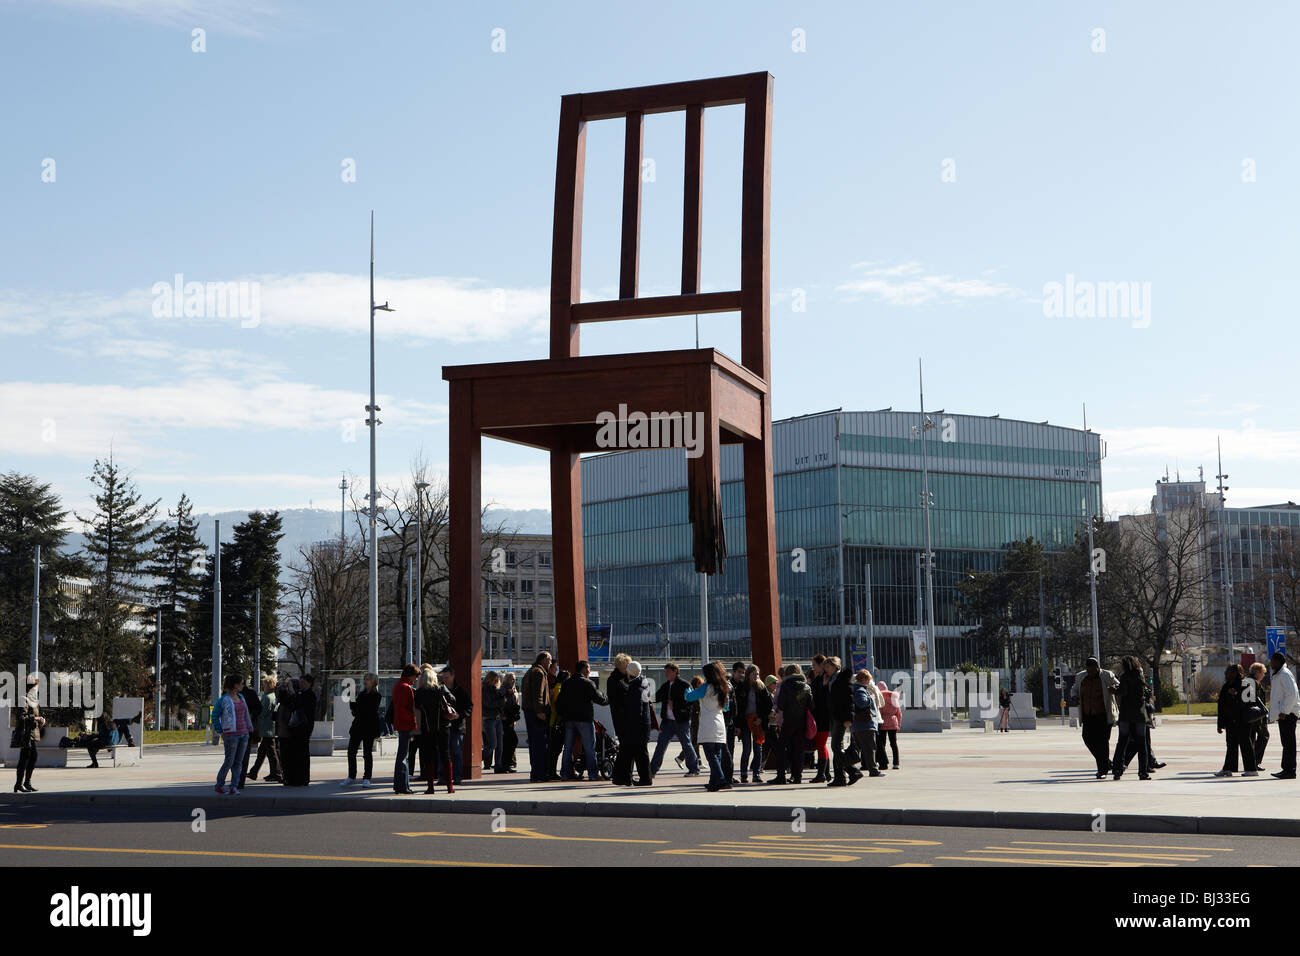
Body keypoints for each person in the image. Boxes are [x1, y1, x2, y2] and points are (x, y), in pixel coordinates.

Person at [1070, 656, 1119, 779]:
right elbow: (1074, 689)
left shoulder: (1107, 675)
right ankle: (1106, 763)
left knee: (1102, 743)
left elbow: (1119, 686)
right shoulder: (1081, 677)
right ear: (1086, 669)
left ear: (1098, 667)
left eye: (1094, 669)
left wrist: (1115, 689)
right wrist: (1074, 697)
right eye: (1089, 669)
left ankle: (1102, 770)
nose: (1091, 672)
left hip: (1103, 715)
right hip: (1088, 715)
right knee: (1087, 738)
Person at [559, 661, 608, 781]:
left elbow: (559, 702)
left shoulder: (567, 683)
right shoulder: (588, 683)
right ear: (584, 669)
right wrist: (607, 698)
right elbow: (599, 699)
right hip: (584, 719)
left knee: (568, 748)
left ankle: (565, 774)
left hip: (569, 720)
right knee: (589, 748)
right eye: (589, 668)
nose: (589, 671)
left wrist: (564, 715)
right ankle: (593, 774)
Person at [688, 662, 733, 791]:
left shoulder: (705, 687)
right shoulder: (723, 688)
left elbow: (690, 697)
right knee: (717, 754)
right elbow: (726, 708)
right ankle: (713, 783)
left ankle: (720, 780)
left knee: (710, 755)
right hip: (719, 723)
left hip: (708, 724)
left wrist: (688, 689)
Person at [651, 662, 700, 778]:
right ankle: (651, 770)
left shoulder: (685, 685)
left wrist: (677, 706)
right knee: (660, 745)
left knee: (686, 745)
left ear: (675, 671)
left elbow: (691, 701)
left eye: (668, 671)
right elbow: (656, 697)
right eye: (665, 671)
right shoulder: (665, 686)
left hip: (681, 721)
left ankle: (694, 769)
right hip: (667, 722)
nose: (666, 674)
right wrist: (646, 696)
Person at [415, 665, 454, 794]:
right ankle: (450, 787)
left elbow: (416, 707)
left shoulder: (419, 693)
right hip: (443, 728)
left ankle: (430, 787)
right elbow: (453, 700)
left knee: (429, 757)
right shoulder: (441, 689)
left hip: (427, 729)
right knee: (445, 756)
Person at [1215, 664, 1259, 777]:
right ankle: (1228, 768)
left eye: (1228, 672)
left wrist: (1236, 694)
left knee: (1246, 744)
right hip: (1230, 721)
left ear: (1236, 673)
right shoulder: (1226, 686)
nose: (1226, 674)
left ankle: (1251, 769)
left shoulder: (1246, 684)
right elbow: (1221, 706)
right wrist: (1220, 724)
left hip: (1243, 720)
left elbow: (1251, 701)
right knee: (1231, 745)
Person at [1110, 657, 1150, 781]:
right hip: (1139, 714)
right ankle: (1143, 772)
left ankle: (1117, 769)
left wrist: (1114, 690)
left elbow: (1123, 692)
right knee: (1142, 744)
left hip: (1126, 714)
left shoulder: (1125, 677)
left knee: (1122, 742)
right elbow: (1145, 692)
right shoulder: (1140, 676)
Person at [613, 660, 653, 786]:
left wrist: (628, 724)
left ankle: (642, 779)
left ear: (629, 674)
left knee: (634, 752)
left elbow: (636, 709)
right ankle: (632, 778)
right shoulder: (644, 683)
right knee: (638, 753)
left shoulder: (635, 688)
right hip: (642, 725)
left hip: (635, 726)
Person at [733, 665, 772, 784]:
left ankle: (756, 773)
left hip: (757, 721)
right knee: (747, 749)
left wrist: (761, 718)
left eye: (758, 674)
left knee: (758, 748)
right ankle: (743, 774)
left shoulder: (761, 687)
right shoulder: (741, 687)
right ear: (748, 675)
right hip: (745, 721)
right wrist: (737, 725)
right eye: (754, 674)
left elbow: (768, 705)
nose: (756, 676)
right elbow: (737, 707)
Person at [214, 674, 252, 795]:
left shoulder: (241, 697)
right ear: (235, 685)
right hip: (231, 734)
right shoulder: (224, 700)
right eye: (241, 683)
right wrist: (220, 730)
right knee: (229, 761)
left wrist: (249, 727)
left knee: (238, 762)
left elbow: (246, 713)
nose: (243, 685)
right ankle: (219, 785)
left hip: (244, 733)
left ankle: (234, 786)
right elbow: (214, 715)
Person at [342, 673, 381, 787]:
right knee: (351, 751)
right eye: (364, 679)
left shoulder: (376, 695)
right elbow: (354, 710)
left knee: (367, 753)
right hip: (357, 727)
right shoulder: (361, 694)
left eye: (368, 679)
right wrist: (353, 696)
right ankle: (351, 776)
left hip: (369, 727)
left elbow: (368, 710)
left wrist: (358, 709)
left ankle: (367, 778)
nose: (365, 681)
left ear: (374, 682)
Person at [825, 657, 859, 787]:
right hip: (834, 716)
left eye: (828, 667)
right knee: (837, 747)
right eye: (825, 667)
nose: (826, 669)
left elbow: (849, 699)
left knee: (836, 746)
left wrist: (848, 718)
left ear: (835, 666)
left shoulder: (842, 679)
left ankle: (850, 772)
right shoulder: (831, 679)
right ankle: (843, 775)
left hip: (841, 717)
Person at [520, 652, 553, 782]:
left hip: (529, 711)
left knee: (534, 744)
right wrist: (540, 711)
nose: (550, 663)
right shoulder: (539, 673)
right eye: (549, 660)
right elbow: (538, 694)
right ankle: (540, 774)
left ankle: (535, 773)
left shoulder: (530, 671)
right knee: (540, 744)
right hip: (536, 713)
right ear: (544, 660)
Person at [438, 666, 472, 785]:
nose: (445, 679)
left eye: (447, 677)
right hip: (443, 726)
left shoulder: (460, 691)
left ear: (453, 676)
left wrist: (459, 715)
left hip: (457, 727)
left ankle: (457, 776)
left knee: (456, 751)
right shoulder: (440, 690)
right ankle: (443, 776)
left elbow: (469, 707)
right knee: (443, 752)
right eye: (443, 677)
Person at [280, 673, 316, 786]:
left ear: (309, 683)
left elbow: (298, 704)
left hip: (304, 728)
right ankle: (293, 778)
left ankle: (303, 779)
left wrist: (292, 692)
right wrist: (283, 690)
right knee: (293, 754)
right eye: (300, 681)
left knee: (302, 754)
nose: (300, 683)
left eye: (303, 681)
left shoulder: (310, 694)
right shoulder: (300, 693)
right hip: (295, 728)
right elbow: (288, 702)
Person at [1269, 653, 1299, 779]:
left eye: (1272, 661)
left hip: (1288, 714)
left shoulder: (1284, 674)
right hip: (1284, 714)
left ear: (1277, 661)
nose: (1270, 663)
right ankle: (1286, 769)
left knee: (1289, 743)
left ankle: (1290, 770)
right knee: (1286, 743)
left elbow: (1292, 694)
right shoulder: (1279, 674)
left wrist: (1284, 711)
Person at [13, 674, 45, 793]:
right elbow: (21, 717)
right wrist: (36, 718)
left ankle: (26, 783)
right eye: (34, 686)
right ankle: (19, 784)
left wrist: (42, 719)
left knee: (32, 757)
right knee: (24, 758)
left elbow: (35, 715)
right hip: (26, 734)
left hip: (32, 733)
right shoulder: (23, 698)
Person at [247, 675, 281, 783]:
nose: (263, 686)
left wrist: (255, 716)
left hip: (266, 727)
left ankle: (276, 773)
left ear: (268, 685)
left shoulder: (266, 697)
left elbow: (263, 712)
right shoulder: (274, 696)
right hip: (271, 726)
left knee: (271, 751)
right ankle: (254, 772)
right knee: (262, 751)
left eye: (264, 684)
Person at [391, 664, 419, 794]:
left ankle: (401, 785)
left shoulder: (399, 685)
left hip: (400, 723)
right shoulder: (405, 688)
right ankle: (402, 785)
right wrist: (413, 723)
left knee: (402, 755)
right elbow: (406, 709)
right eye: (415, 676)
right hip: (405, 724)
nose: (416, 679)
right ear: (410, 675)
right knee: (403, 756)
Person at [851, 670, 884, 778]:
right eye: (868, 680)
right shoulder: (860, 690)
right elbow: (862, 703)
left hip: (858, 725)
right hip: (865, 725)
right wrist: (870, 699)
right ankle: (873, 770)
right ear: (864, 679)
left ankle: (847, 765)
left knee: (857, 748)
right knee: (870, 748)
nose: (869, 682)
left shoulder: (855, 689)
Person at [606, 653, 632, 784]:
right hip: (621, 718)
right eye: (626, 664)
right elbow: (615, 700)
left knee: (626, 747)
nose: (628, 666)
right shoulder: (614, 680)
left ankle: (623, 775)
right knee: (626, 747)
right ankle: (621, 775)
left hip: (625, 717)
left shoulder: (626, 677)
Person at [236, 675, 263, 790]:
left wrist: (251, 715)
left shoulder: (249, 693)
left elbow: (259, 708)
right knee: (236, 757)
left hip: (246, 729)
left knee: (243, 756)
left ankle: (239, 781)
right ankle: (237, 780)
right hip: (234, 730)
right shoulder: (230, 694)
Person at [809, 655, 831, 783]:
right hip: (820, 716)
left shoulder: (824, 679)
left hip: (822, 717)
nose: (812, 667)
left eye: (814, 664)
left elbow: (821, 699)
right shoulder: (818, 679)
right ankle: (826, 773)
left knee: (820, 745)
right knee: (821, 745)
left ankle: (821, 774)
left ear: (821, 665)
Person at [481, 671, 506, 774]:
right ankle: (478, 758)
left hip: (497, 718)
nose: (496, 682)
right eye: (494, 680)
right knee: (492, 744)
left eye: (497, 680)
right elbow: (488, 704)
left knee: (499, 744)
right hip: (489, 718)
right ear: (489, 679)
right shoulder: (485, 689)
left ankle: (498, 765)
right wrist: (500, 702)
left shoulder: (495, 689)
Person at [1248, 662, 1271, 771]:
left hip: (1253, 715)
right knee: (1264, 736)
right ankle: (1255, 761)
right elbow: (1254, 699)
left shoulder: (1250, 681)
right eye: (1263, 673)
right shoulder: (1253, 683)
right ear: (1257, 672)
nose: (1264, 675)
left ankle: (1253, 762)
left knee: (1253, 739)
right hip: (1257, 716)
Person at [876, 679, 902, 770]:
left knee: (882, 744)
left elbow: (878, 711)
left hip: (882, 723)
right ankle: (896, 763)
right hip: (893, 722)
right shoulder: (894, 697)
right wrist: (898, 724)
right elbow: (898, 713)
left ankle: (883, 763)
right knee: (894, 744)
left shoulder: (879, 697)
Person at [500, 672, 521, 772]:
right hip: (506, 718)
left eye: (514, 679)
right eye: (511, 678)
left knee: (510, 741)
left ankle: (507, 764)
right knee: (510, 741)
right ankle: (505, 764)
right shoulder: (504, 688)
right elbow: (502, 701)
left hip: (511, 718)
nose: (513, 680)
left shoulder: (513, 689)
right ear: (506, 679)